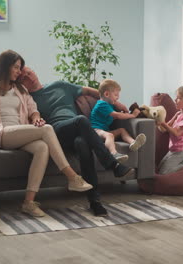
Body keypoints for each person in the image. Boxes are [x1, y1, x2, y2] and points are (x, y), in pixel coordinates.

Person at [0, 50, 93, 217]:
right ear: (5, 66)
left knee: (42, 147)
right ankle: (71, 176)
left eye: (20, 68)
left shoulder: (21, 90)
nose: (19, 72)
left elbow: (33, 110)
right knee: (47, 129)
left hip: (20, 133)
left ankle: (28, 202)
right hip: (2, 133)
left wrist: (36, 119)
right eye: (16, 67)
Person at [18, 67, 136, 217]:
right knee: (81, 120)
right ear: (22, 84)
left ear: (34, 71)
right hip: (56, 132)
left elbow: (89, 91)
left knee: (82, 143)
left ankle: (95, 202)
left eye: (29, 73)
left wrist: (116, 104)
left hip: (77, 130)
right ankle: (112, 164)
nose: (29, 77)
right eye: (23, 78)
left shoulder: (59, 85)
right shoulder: (29, 99)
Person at [90, 79, 147, 163]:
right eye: (116, 95)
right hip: (95, 131)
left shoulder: (109, 105)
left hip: (104, 132)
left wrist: (126, 111)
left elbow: (117, 115)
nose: (118, 97)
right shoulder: (102, 104)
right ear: (106, 94)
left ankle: (133, 143)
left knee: (121, 130)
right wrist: (133, 115)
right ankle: (114, 153)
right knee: (109, 135)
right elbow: (117, 115)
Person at [157, 86, 183, 174]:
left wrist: (163, 123)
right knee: (159, 168)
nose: (175, 100)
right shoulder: (179, 114)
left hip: (180, 150)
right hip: (173, 149)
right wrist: (171, 119)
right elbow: (164, 129)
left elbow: (177, 133)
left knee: (164, 173)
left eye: (179, 98)